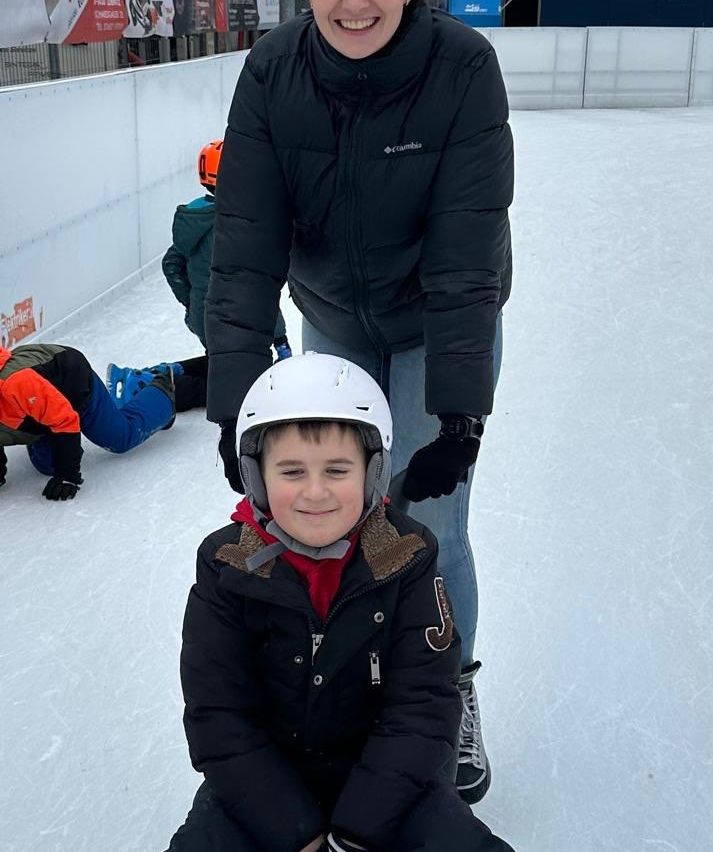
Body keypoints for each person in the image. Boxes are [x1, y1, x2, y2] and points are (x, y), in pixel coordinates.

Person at [205, 0, 514, 803]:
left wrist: (457, 415)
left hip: (433, 325)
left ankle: (446, 691)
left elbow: (465, 250)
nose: (352, 6)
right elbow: (243, 246)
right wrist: (239, 406)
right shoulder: (273, 70)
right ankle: (354, 690)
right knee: (330, 513)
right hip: (335, 320)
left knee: (426, 525)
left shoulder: (462, 66)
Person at [165, 352, 514, 852]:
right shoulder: (228, 568)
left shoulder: (406, 558)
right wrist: (295, 831)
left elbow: (423, 706)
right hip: (264, 789)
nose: (315, 492)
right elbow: (218, 716)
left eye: (337, 469)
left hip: (394, 788)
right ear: (257, 476)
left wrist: (357, 829)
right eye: (291, 471)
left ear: (373, 474)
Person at [106, 140, 292, 414]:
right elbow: (258, 287)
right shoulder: (240, 225)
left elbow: (172, 262)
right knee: (246, 385)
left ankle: (166, 372)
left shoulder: (196, 217)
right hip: (238, 320)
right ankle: (152, 389)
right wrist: (281, 340)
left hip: (206, 319)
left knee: (220, 362)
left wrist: (192, 302)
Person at [0, 343, 174, 500]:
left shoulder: (16, 383)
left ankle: (160, 392)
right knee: (47, 465)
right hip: (40, 407)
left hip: (71, 381)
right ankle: (46, 419)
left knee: (120, 438)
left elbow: (65, 419)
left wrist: (68, 476)